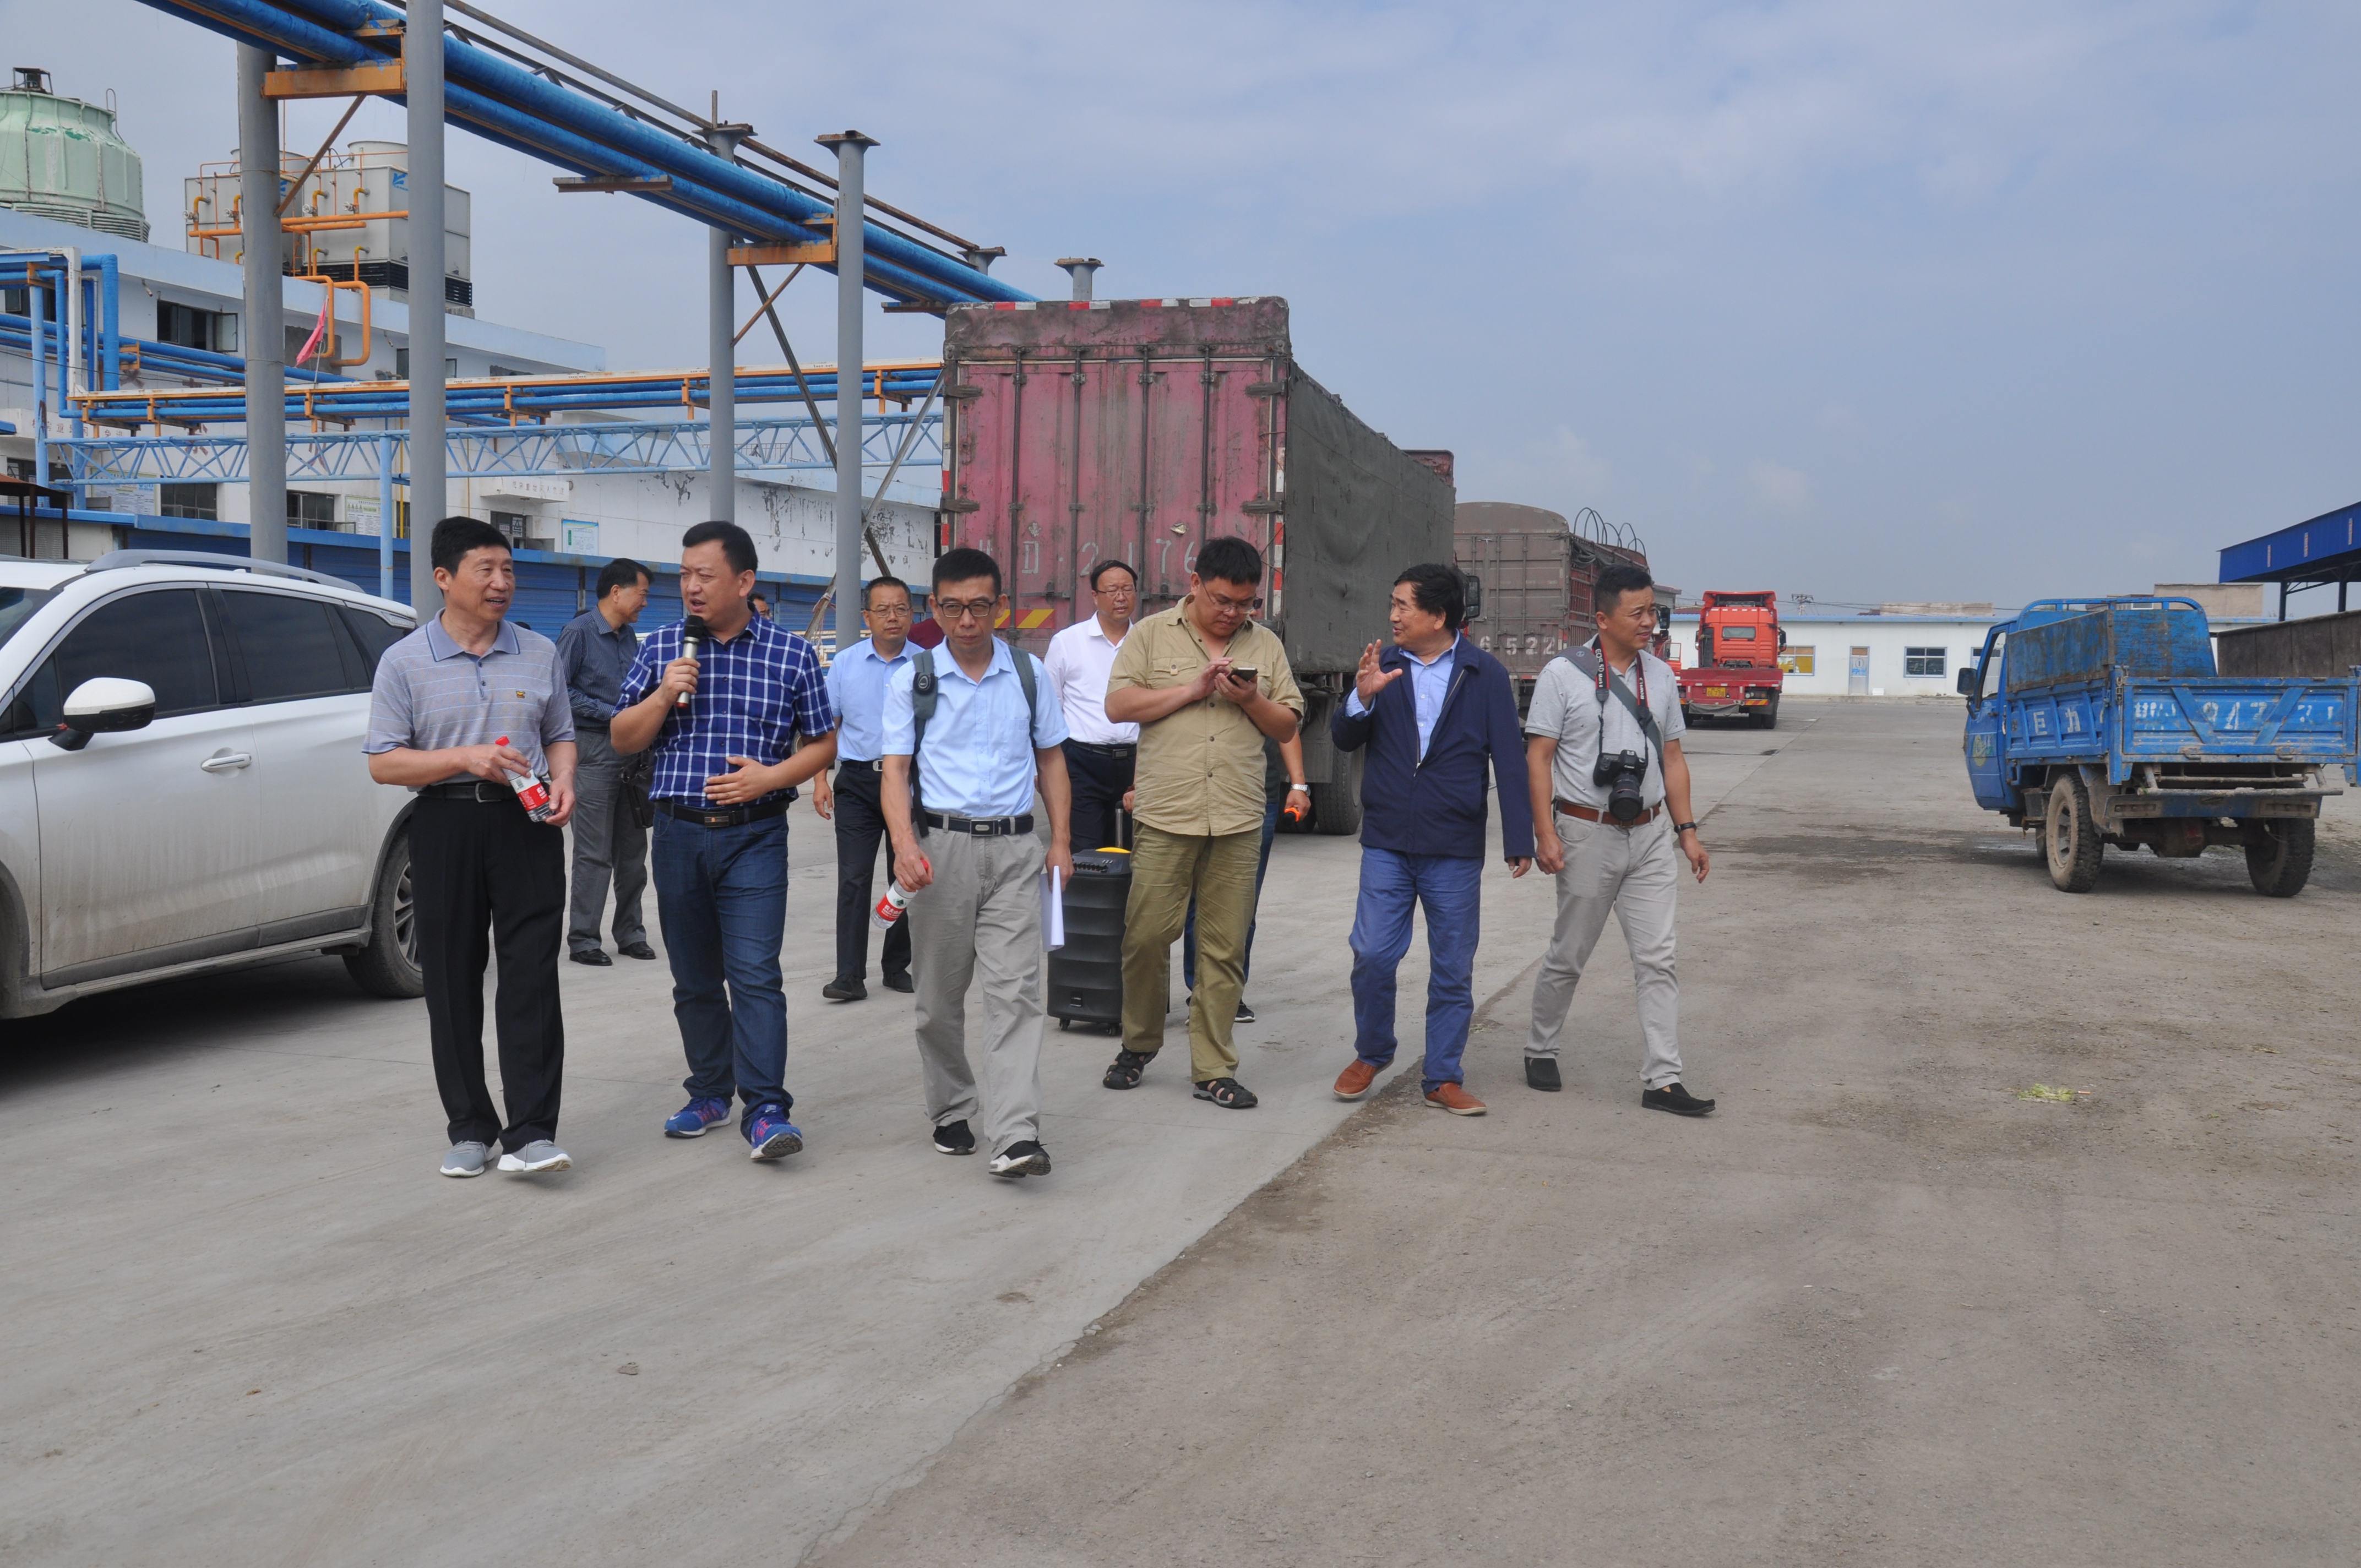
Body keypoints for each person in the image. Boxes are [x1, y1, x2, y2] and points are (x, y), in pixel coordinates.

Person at [612, 521, 839, 1161]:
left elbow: (824, 742)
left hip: (755, 837)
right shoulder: (661, 647)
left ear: (743, 581)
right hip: (678, 834)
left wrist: (773, 776)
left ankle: (766, 1110)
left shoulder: (791, 655)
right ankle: (709, 1091)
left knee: (756, 975)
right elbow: (623, 737)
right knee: (694, 979)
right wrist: (664, 692)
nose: (690, 586)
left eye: (704, 575)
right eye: (684, 574)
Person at [363, 516, 578, 1178]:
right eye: (485, 569)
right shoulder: (404, 661)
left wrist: (565, 779)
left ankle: (532, 1131)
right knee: (452, 978)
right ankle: (469, 1127)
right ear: (444, 578)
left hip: (527, 824)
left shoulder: (538, 651)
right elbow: (384, 762)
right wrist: (465, 757)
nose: (501, 582)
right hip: (444, 824)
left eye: (507, 569)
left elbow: (560, 733)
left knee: (530, 976)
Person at [879, 548, 1073, 1178]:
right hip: (940, 853)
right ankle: (951, 1106)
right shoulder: (912, 680)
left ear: (1000, 607)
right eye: (954, 607)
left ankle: (1015, 1133)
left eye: (980, 607)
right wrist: (905, 846)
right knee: (938, 1000)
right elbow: (895, 771)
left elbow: (1051, 759)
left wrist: (1060, 841)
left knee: (1017, 994)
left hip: (1016, 850)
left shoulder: (1028, 674)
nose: (967, 620)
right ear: (934, 609)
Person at [1100, 536, 1303, 1109]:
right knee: (1145, 937)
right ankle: (1139, 1043)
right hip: (1167, 814)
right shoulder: (1150, 635)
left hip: (1237, 818)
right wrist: (1192, 689)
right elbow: (1117, 706)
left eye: (1244, 603)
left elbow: (1288, 726)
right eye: (1221, 600)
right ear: (1195, 583)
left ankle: (1213, 1068)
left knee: (1224, 947)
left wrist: (1250, 700)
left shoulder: (1265, 645)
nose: (1232, 612)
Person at [1329, 564, 1535, 1115]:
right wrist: (1360, 698)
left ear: (1438, 616)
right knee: (1372, 953)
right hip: (1387, 840)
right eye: (1392, 604)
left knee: (1451, 967)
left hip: (1453, 845)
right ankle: (1373, 1052)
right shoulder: (1383, 666)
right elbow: (1343, 738)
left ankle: (1442, 1076)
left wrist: (1520, 837)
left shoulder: (1483, 674)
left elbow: (1509, 758)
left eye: (1403, 605)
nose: (1393, 616)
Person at [1524, 561, 1716, 1114]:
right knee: (1569, 954)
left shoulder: (1661, 676)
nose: (1649, 622)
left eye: (1652, 611)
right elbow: (1538, 757)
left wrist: (1687, 831)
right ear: (1603, 619)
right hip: (1586, 832)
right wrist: (1545, 832)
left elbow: (1673, 758)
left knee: (1658, 959)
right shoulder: (1563, 675)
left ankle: (1663, 1079)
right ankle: (1541, 1047)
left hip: (1651, 835)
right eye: (1638, 613)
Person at [813, 574, 915, 1001]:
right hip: (856, 783)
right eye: (883, 610)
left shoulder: (927, 665)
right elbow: (827, 727)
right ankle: (849, 976)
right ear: (866, 616)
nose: (893, 617)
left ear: (912, 614)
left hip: (910, 784)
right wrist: (820, 779)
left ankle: (897, 966)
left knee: (905, 877)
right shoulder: (846, 664)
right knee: (853, 879)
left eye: (901, 609)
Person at [556, 557, 656, 967]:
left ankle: (631, 933)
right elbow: (559, 691)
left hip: (632, 755)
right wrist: (611, 713)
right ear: (617, 592)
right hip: (593, 751)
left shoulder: (630, 638)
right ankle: (583, 939)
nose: (645, 603)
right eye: (642, 594)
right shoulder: (578, 633)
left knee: (633, 853)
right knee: (594, 853)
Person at [1179, 731, 1307, 1023]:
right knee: (1198, 903)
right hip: (1197, 793)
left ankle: (1229, 992)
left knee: (1242, 904)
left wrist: (1299, 785)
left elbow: (1286, 726)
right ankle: (1200, 992)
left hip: (1256, 797)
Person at [1043, 558, 1139, 853]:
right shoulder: (1068, 642)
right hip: (1083, 763)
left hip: (1137, 762)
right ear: (1095, 596)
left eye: (1127, 589)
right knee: (1086, 854)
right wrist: (1042, 769)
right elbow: (1050, 709)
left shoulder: (1147, 641)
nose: (1120, 597)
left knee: (1137, 853)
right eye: (1112, 591)